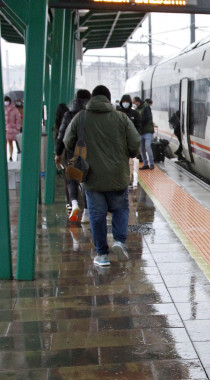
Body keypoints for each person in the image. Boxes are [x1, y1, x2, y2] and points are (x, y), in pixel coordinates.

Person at [64, 85, 141, 267]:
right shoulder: (121, 118)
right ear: (108, 98)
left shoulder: (81, 117)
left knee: (97, 217)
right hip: (118, 176)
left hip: (92, 177)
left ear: (93, 98)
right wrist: (129, 152)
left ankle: (102, 255)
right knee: (121, 210)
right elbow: (135, 142)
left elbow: (68, 141)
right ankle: (119, 242)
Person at [55, 89, 91, 223]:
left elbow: (61, 135)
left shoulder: (68, 114)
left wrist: (58, 153)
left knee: (71, 179)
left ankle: (74, 203)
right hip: (89, 152)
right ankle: (86, 212)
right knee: (87, 181)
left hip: (72, 152)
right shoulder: (91, 114)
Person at [117, 95, 141, 188]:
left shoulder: (134, 113)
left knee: (130, 162)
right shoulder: (117, 112)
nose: (125, 103)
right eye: (124, 101)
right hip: (118, 141)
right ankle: (121, 178)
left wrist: (136, 137)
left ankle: (129, 179)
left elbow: (138, 126)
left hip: (129, 142)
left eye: (127, 101)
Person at [134, 96, 154, 170]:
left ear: (138, 101)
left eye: (135, 102)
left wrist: (139, 121)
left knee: (148, 147)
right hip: (141, 132)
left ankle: (151, 163)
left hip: (148, 131)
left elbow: (147, 118)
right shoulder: (137, 109)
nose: (135, 104)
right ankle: (145, 164)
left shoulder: (146, 107)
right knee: (141, 149)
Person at [4, 96, 22, 161]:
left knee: (16, 143)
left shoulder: (14, 110)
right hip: (8, 129)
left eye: (6, 101)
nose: (5, 102)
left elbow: (18, 119)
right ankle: (11, 156)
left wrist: (17, 128)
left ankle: (19, 154)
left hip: (13, 129)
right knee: (10, 143)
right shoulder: (6, 110)